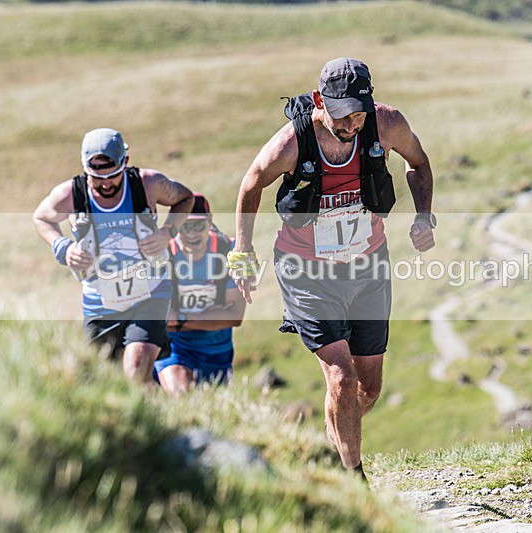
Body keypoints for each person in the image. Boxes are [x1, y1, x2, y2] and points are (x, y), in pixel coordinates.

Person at [228, 58, 435, 479]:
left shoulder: (387, 124)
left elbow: (419, 164)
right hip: (308, 273)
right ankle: (352, 480)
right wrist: (242, 251)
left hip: (368, 268)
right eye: (343, 115)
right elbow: (251, 184)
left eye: (359, 113)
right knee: (340, 377)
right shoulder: (292, 142)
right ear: (320, 102)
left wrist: (422, 216)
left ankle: (333, 444)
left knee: (367, 387)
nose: (352, 124)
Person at [33, 128, 194, 382]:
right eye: (97, 178)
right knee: (100, 380)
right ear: (85, 168)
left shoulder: (148, 184)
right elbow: (41, 217)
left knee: (136, 366)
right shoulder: (71, 194)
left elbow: (185, 198)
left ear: (125, 163)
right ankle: (165, 416)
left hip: (150, 293)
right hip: (100, 302)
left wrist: (167, 232)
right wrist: (63, 247)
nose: (106, 183)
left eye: (113, 175)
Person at [153, 193, 246, 394]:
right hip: (174, 348)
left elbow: (235, 316)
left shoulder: (230, 251)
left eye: (198, 225)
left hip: (217, 351)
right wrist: (214, 316)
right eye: (184, 226)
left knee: (212, 412)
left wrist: (180, 320)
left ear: (210, 221)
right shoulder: (162, 255)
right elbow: (158, 318)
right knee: (181, 396)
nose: (192, 233)